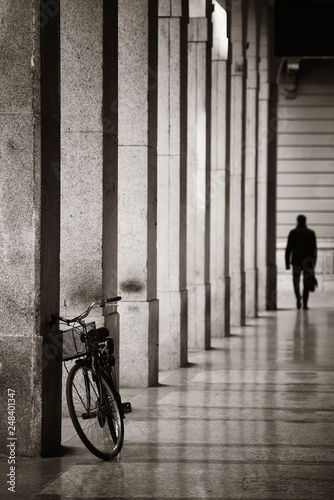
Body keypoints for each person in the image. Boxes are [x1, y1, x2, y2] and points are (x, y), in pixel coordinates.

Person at [285, 214, 317, 310]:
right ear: (305, 221)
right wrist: (314, 263)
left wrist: (287, 262)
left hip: (296, 261)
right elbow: (314, 249)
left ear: (297, 221)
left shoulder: (293, 233)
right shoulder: (311, 233)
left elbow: (288, 249)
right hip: (307, 262)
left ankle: (298, 298)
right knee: (306, 283)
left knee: (296, 281)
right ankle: (305, 303)